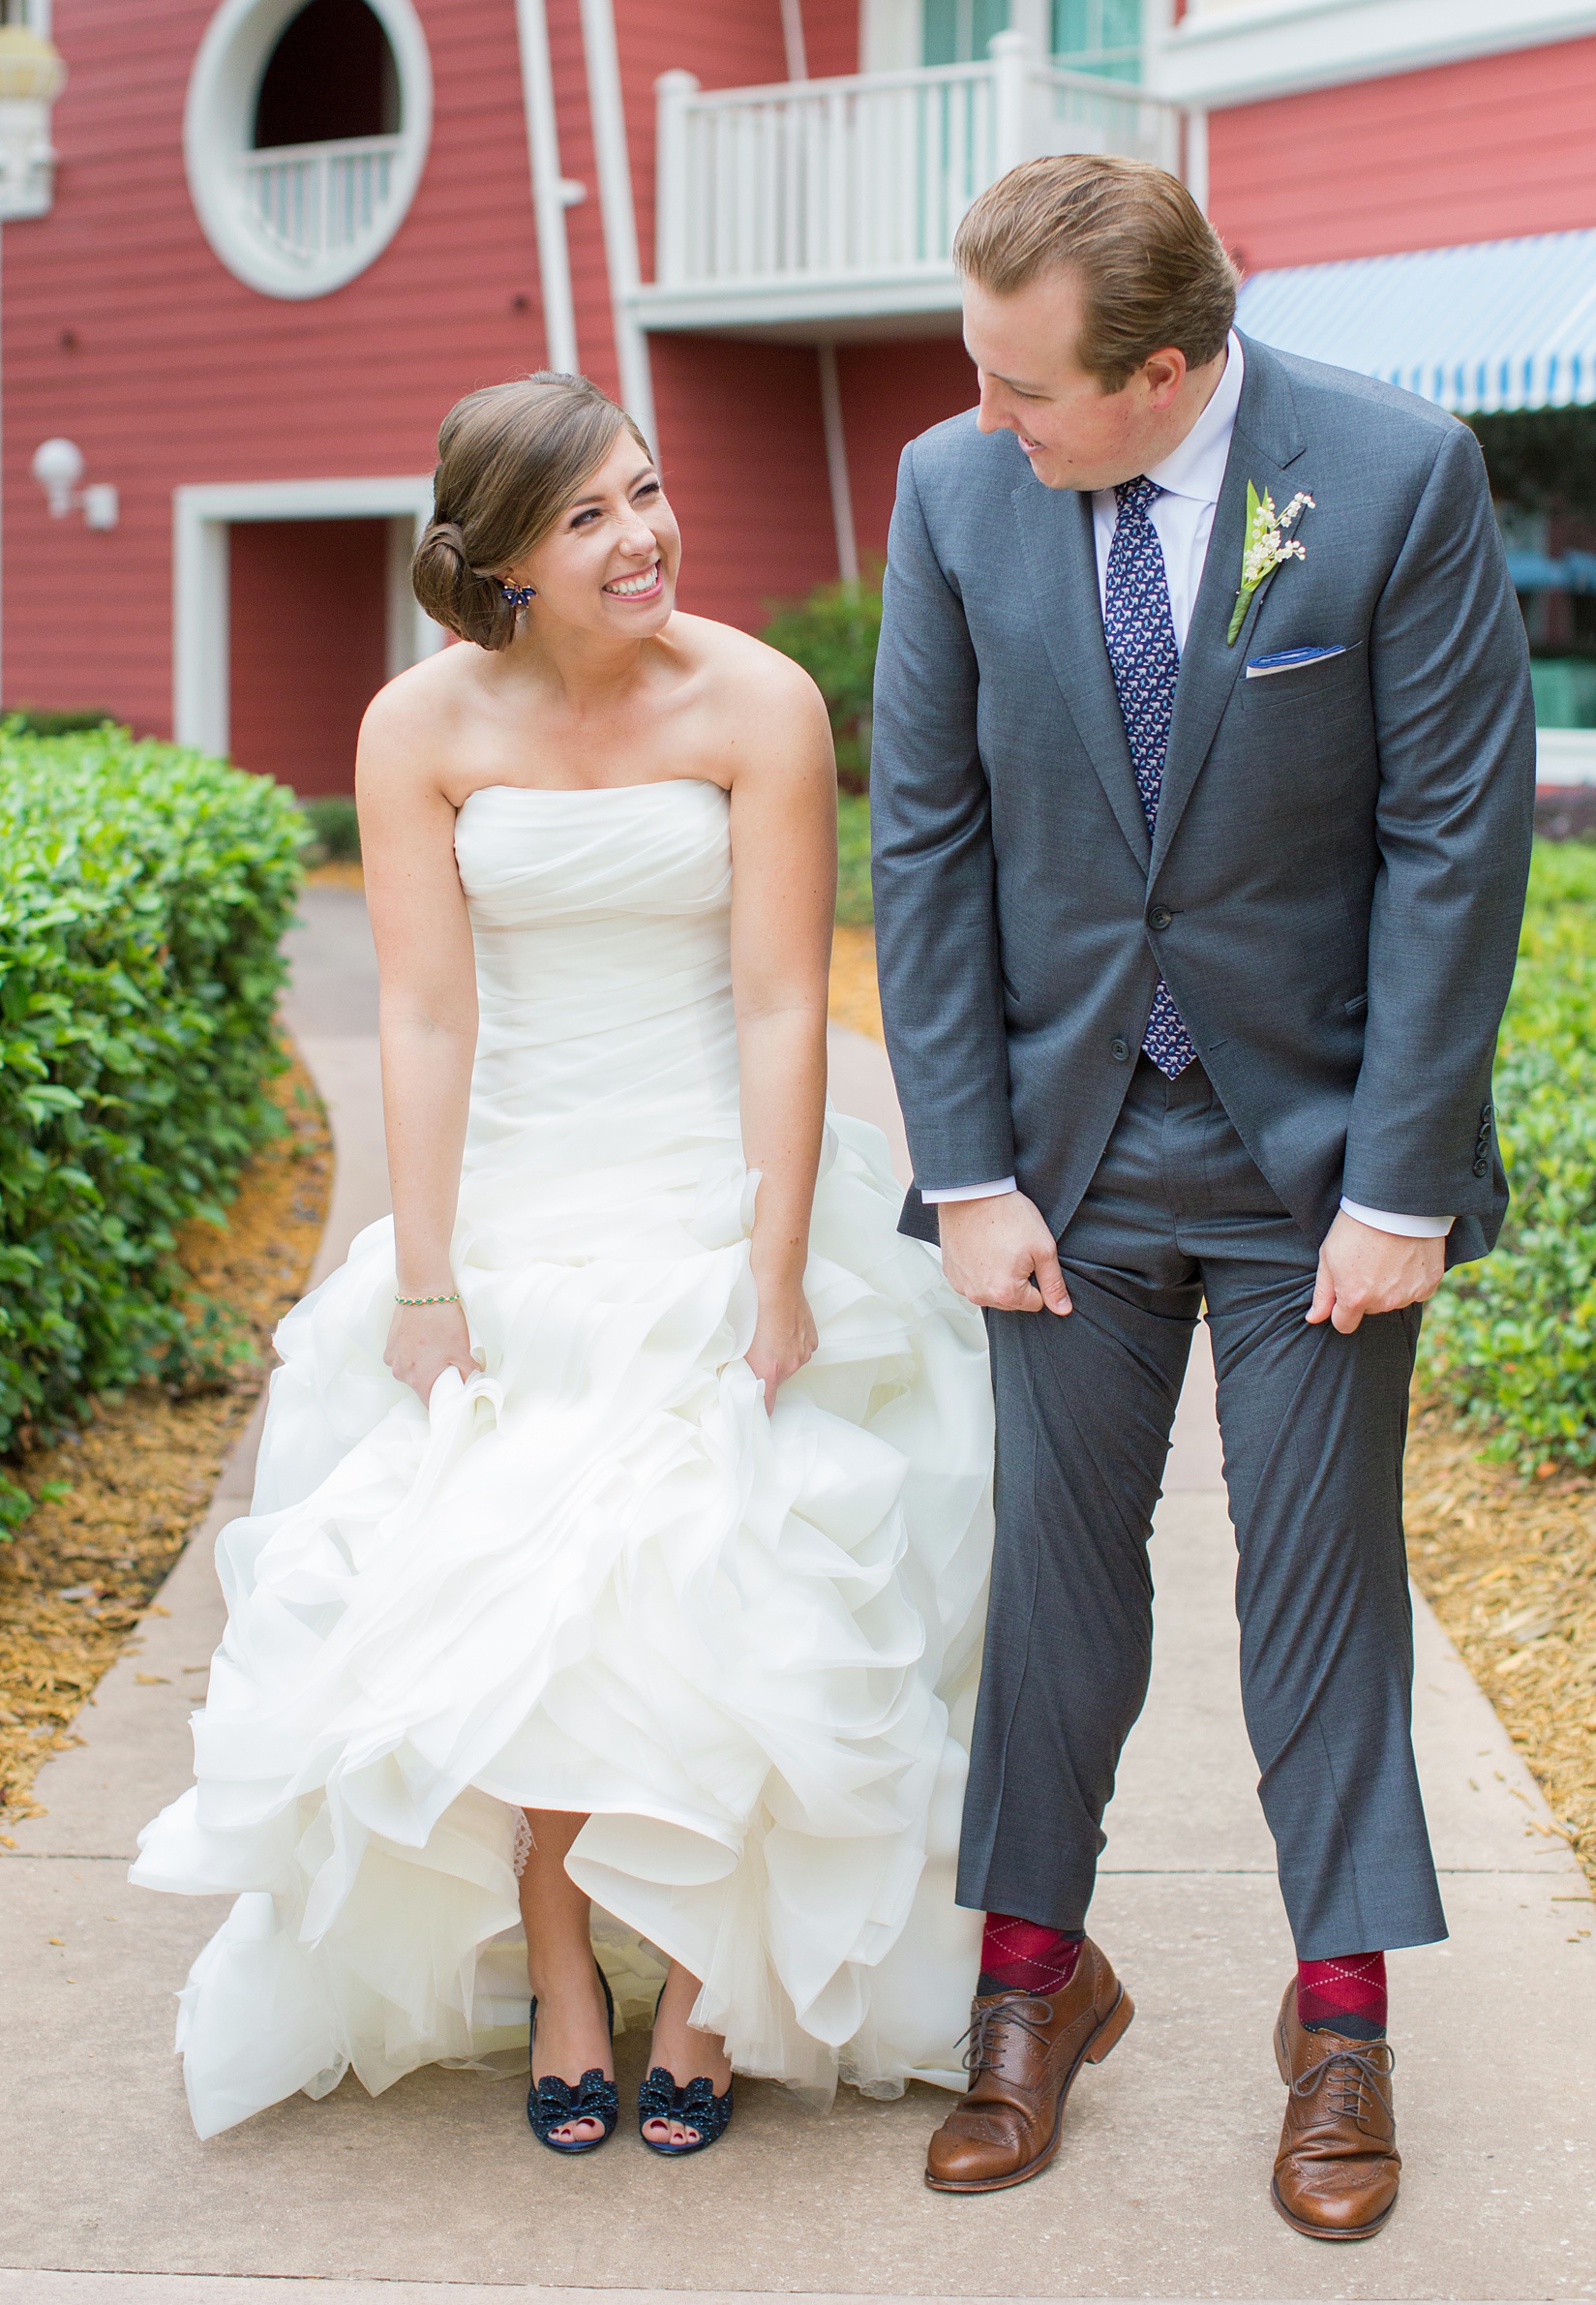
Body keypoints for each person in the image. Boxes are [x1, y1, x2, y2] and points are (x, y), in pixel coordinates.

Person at [133, 371, 995, 2153]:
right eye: (591, 513)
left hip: (713, 1184)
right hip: (516, 1193)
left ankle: (702, 1985)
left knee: (721, 1572)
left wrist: (773, 1269)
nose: (644, 535)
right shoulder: (415, 726)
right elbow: (430, 1015)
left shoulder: (757, 700)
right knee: (502, 1585)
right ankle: (562, 1958)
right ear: (506, 559)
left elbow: (780, 1001)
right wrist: (430, 1276)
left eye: (650, 491)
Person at [870, 156, 1535, 2234]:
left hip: (1315, 1163)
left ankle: (1339, 2023)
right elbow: (927, 843)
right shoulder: (952, 490)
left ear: (1165, 374)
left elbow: (1454, 841)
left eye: (1024, 381)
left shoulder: (1394, 473)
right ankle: (1028, 1990)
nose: (986, 412)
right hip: (1057, 1158)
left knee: (1315, 1590)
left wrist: (1401, 1183)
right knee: (1053, 1596)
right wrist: (964, 1166)